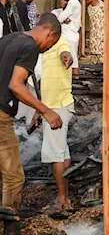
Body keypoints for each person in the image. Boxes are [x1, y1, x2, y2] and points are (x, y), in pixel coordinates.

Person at [0, 14, 63, 213]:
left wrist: (35, 105)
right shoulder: (30, 47)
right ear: (51, 35)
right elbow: (16, 85)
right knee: (13, 176)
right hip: (1, 116)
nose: (47, 49)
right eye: (51, 45)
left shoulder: (9, 39)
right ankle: (9, 228)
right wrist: (47, 111)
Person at [31, 28, 74, 211]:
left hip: (57, 107)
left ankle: (62, 199)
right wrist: (38, 110)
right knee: (62, 153)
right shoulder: (47, 50)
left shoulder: (60, 43)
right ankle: (65, 198)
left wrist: (67, 57)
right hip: (53, 105)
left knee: (57, 154)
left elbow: (67, 54)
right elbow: (46, 85)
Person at [56, 0, 81, 76]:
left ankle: (75, 79)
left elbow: (61, 18)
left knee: (73, 59)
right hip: (71, 34)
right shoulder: (75, 3)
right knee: (72, 57)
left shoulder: (72, 3)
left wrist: (62, 19)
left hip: (70, 34)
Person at [85, 0, 104, 64]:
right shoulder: (89, 8)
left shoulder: (103, 7)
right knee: (93, 57)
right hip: (93, 37)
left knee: (102, 59)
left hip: (102, 37)